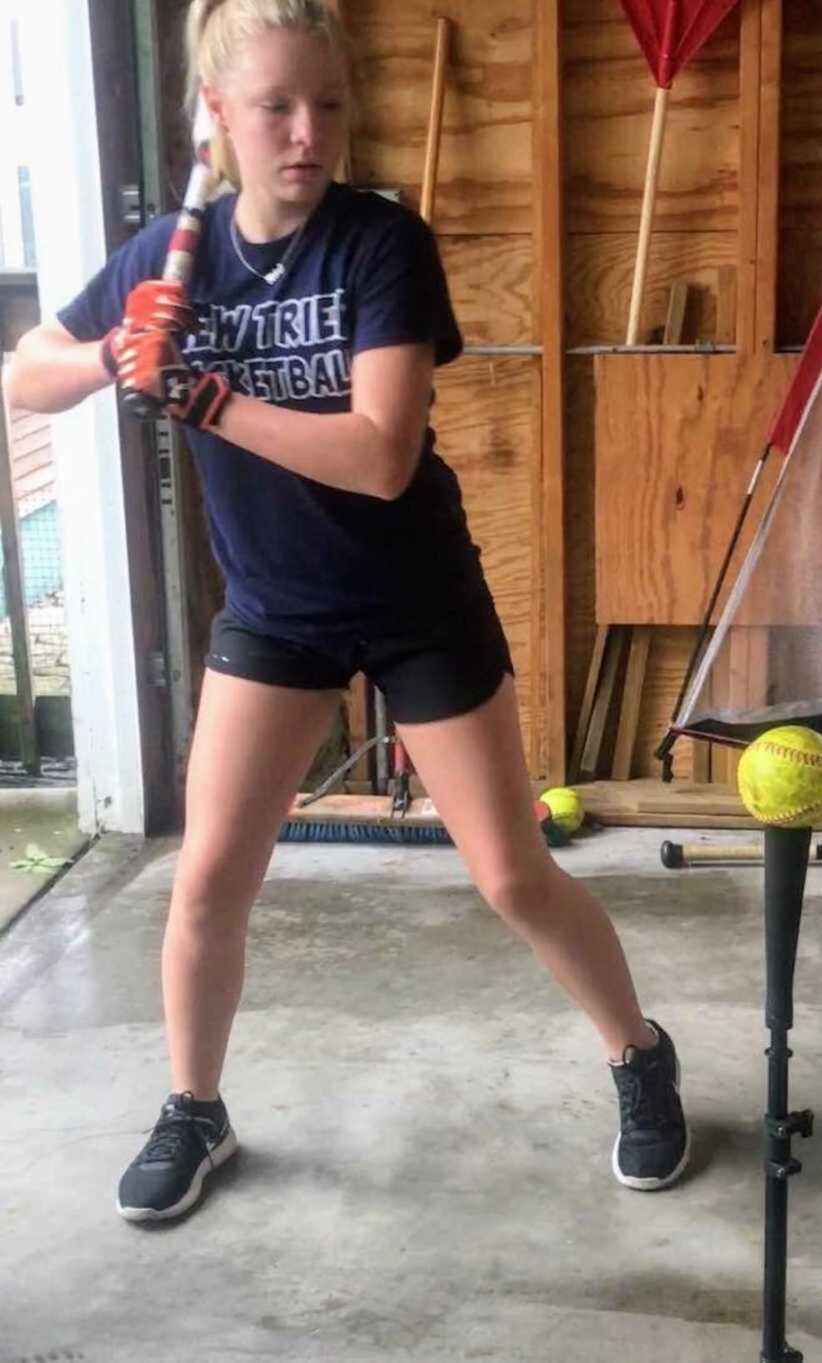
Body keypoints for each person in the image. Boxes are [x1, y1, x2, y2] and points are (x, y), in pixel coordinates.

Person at [9, 0, 689, 1223]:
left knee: (511, 875)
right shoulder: (179, 247)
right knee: (210, 875)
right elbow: (24, 376)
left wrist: (202, 397)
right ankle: (194, 1108)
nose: (307, 131)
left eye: (327, 105)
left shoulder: (378, 243)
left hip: (415, 601)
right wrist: (117, 353)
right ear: (221, 113)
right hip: (276, 611)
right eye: (276, 106)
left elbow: (380, 454)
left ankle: (640, 1053)